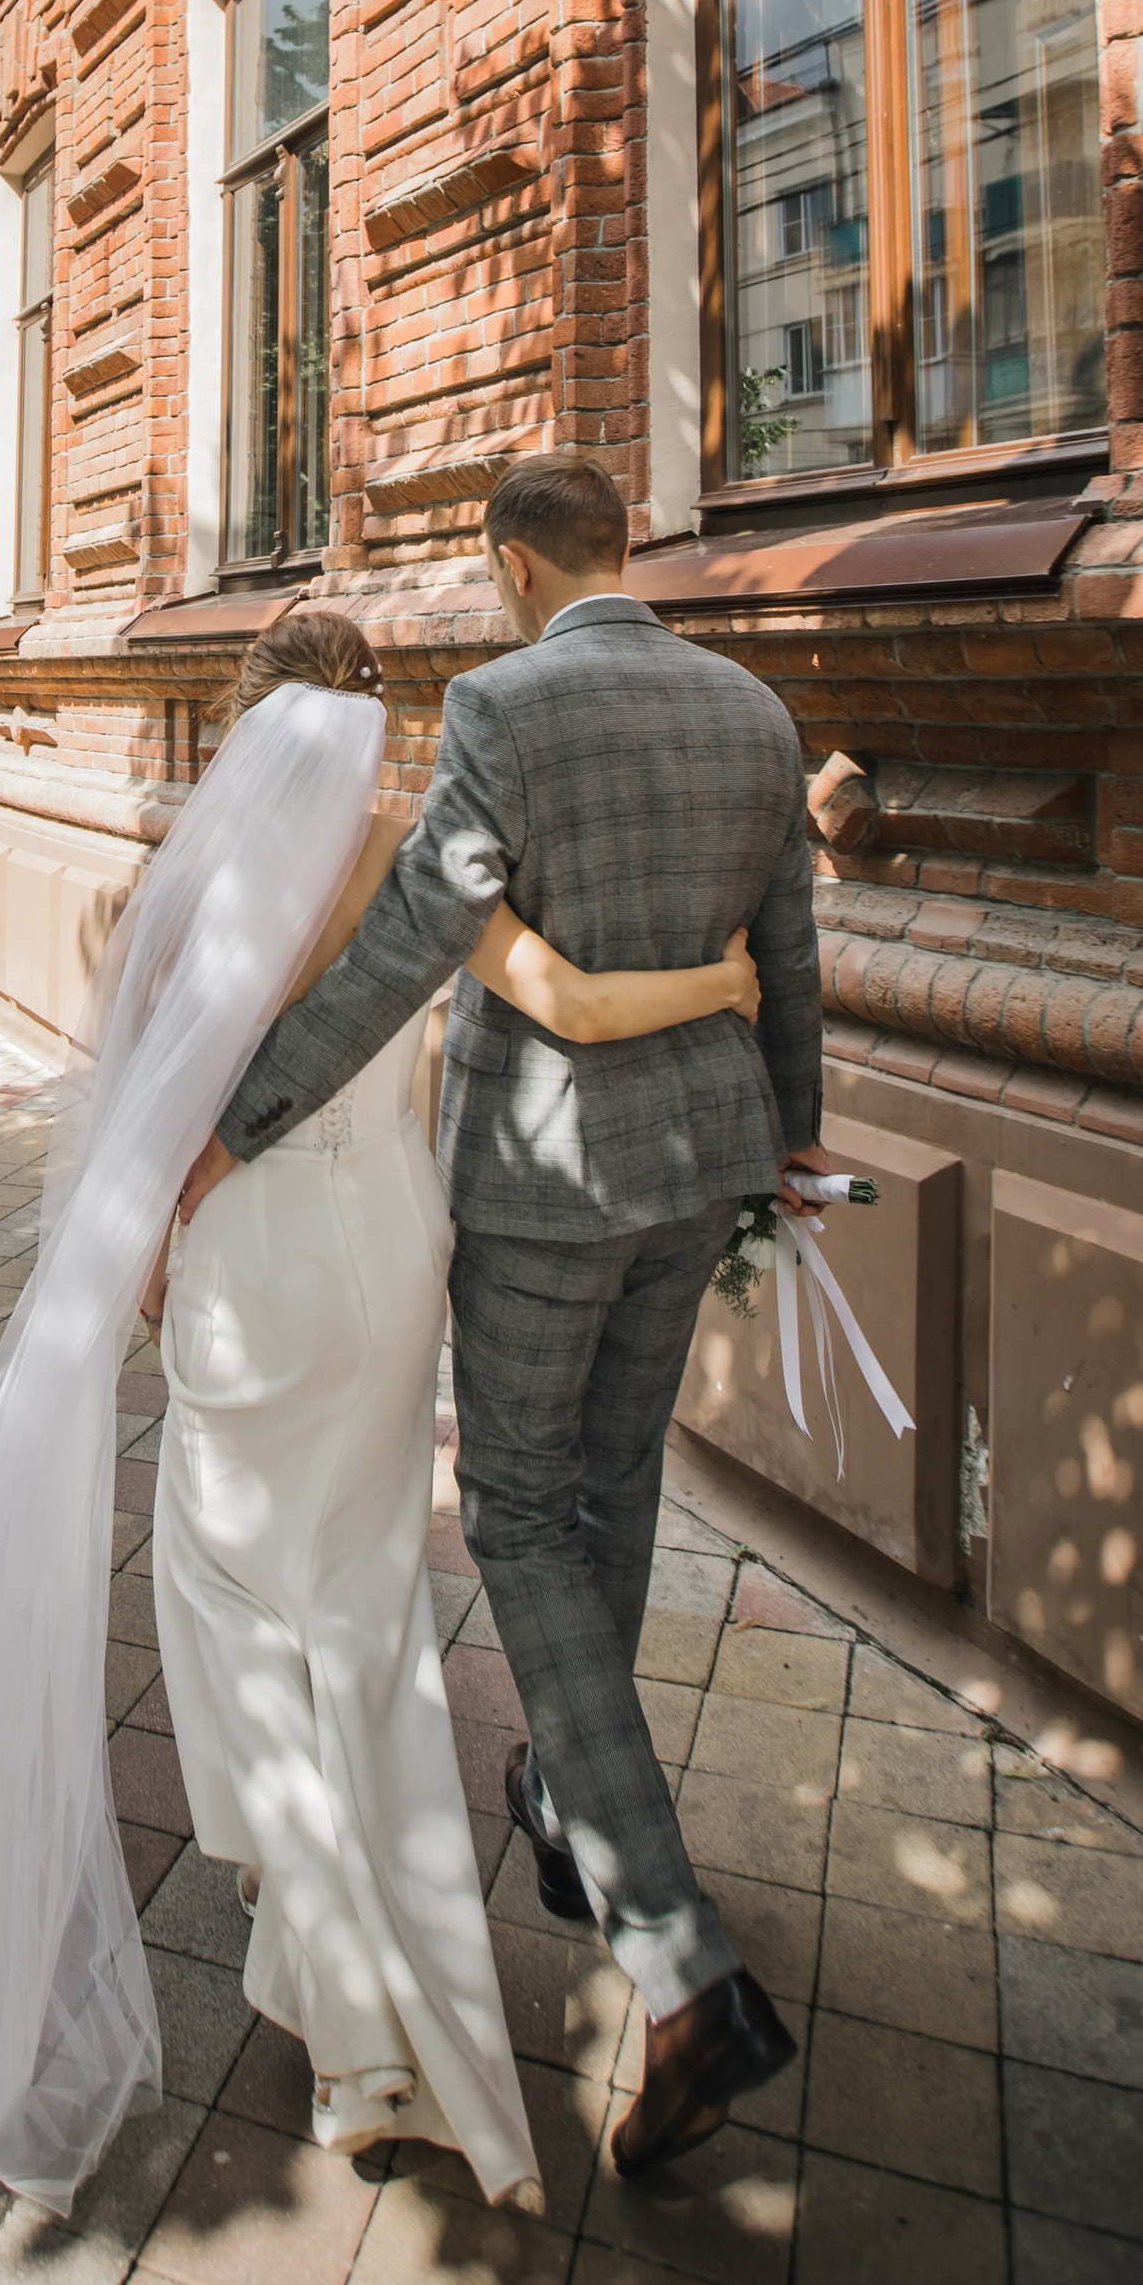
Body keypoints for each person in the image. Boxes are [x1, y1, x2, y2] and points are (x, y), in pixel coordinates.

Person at [0, 599, 769, 2284]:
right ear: (371, 727)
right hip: (396, 1266)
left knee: (229, 1597)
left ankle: (338, 1982)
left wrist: (134, 1247)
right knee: (364, 1605)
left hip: (259, 1270)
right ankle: (352, 1973)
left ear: (245, 729)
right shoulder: (425, 868)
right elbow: (559, 996)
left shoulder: (178, 887)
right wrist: (725, 978)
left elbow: (144, 1086)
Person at [196, 452, 824, 2180]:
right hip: (702, 1166)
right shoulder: (755, 713)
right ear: (617, 550)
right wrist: (798, 1131)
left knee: (526, 1519)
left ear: (509, 566)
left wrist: (233, 1124)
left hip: (548, 1192)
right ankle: (569, 1786)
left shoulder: (502, 700)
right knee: (610, 1496)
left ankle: (682, 1966)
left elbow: (414, 944)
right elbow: (793, 945)